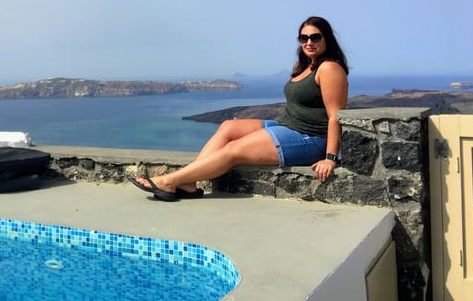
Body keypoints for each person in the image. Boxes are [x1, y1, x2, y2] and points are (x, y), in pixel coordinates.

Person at [130, 16, 349, 201]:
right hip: (287, 126)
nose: (309, 42)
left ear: (326, 39)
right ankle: (189, 183)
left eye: (315, 37)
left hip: (309, 138)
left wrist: (330, 157)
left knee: (233, 150)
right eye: (304, 38)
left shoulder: (329, 69)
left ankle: (170, 181)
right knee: (228, 126)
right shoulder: (304, 66)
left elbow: (335, 116)